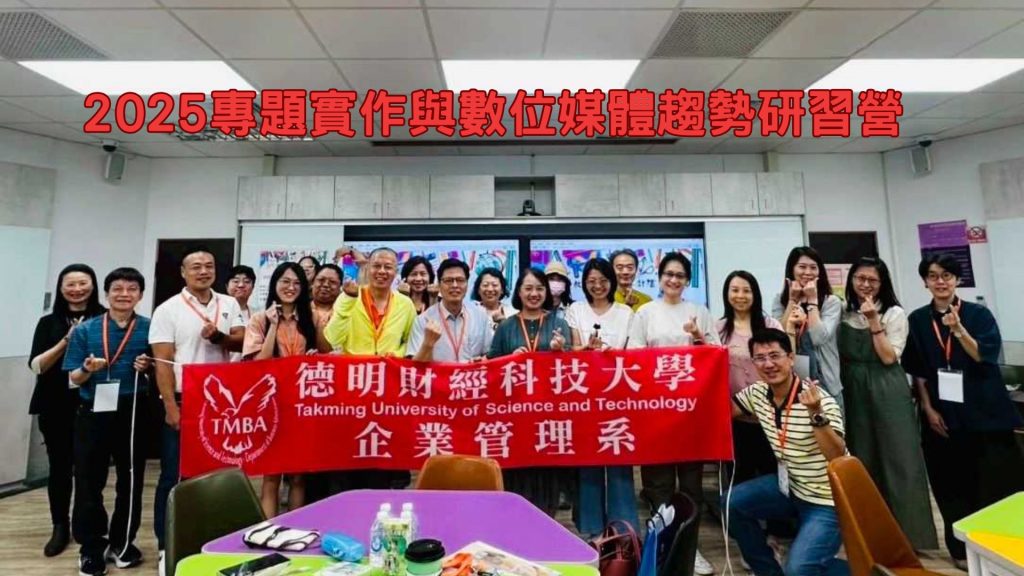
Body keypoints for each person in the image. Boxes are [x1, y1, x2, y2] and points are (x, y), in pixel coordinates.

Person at [902, 254, 1024, 567]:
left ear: (957, 280)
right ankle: (960, 552)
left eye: (947, 275)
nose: (940, 281)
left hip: (986, 415)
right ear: (925, 282)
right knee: (951, 486)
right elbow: (918, 371)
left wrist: (958, 330)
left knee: (995, 485)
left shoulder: (978, 314)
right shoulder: (918, 320)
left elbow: (984, 355)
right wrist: (927, 408)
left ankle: (1001, 552)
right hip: (943, 417)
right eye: (933, 276)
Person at [148, 247, 245, 576]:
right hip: (184, 398)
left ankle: (214, 541)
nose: (203, 271)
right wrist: (169, 406)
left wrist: (219, 336)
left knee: (218, 475)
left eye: (209, 266)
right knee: (174, 476)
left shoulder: (229, 303)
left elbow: (241, 341)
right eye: (196, 267)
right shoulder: (168, 309)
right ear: (183, 272)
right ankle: (167, 546)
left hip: (221, 403)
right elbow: (162, 362)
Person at [727, 329, 848, 576]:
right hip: (790, 487)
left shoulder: (820, 400)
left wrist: (815, 413)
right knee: (731, 504)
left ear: (791, 358)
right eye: (760, 358)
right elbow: (725, 412)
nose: (768, 364)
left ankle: (867, 570)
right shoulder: (757, 393)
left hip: (827, 500)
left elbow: (836, 456)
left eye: (775, 356)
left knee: (799, 570)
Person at [628, 251, 719, 576]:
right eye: (669, 274)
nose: (674, 280)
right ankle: (661, 548)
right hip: (656, 409)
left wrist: (697, 336)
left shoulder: (699, 311)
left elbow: (715, 353)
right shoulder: (645, 312)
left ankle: (691, 550)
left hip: (691, 408)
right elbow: (634, 356)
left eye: (680, 275)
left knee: (691, 482)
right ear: (660, 277)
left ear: (687, 280)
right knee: (659, 482)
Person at [838, 257, 937, 550]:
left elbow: (888, 357)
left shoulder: (894, 313)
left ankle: (910, 537)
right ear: (851, 280)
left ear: (883, 284)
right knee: (862, 457)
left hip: (887, 387)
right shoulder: (843, 311)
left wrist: (873, 321)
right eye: (860, 278)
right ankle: (870, 535)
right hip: (853, 388)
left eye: (873, 280)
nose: (865, 284)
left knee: (900, 458)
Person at [63, 268, 153, 576]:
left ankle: (122, 543)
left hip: (133, 409)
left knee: (131, 480)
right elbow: (74, 378)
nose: (124, 294)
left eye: (132, 289)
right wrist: (88, 368)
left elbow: (160, 369)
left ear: (140, 295)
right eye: (117, 288)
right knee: (88, 481)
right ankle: (91, 547)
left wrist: (148, 366)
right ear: (106, 293)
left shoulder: (150, 328)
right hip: (94, 408)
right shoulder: (86, 330)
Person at [28, 264, 105, 557]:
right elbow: (37, 365)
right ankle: (59, 526)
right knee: (60, 469)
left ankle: (87, 527)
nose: (77, 289)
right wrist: (67, 340)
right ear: (61, 289)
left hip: (95, 402)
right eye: (70, 284)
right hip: (55, 405)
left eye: (83, 283)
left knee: (91, 470)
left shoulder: (105, 317)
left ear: (93, 285)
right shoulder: (48, 322)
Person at [324, 247, 416, 489]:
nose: (382, 271)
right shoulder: (351, 297)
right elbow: (333, 337)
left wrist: (395, 355)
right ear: (368, 268)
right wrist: (347, 300)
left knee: (381, 460)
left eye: (388, 267)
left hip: (388, 394)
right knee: (348, 460)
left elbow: (410, 343)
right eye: (377, 266)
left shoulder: (405, 304)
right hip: (352, 391)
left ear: (395, 271)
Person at [243, 262, 326, 517]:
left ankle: (294, 529)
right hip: (271, 405)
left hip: (303, 406)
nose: (291, 288)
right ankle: (268, 532)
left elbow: (327, 353)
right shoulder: (259, 319)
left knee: (298, 476)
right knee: (271, 476)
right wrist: (273, 324)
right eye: (285, 282)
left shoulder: (311, 318)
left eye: (297, 283)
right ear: (275, 284)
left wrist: (315, 356)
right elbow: (259, 363)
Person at [487, 267, 572, 516]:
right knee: (517, 474)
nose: (534, 294)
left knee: (547, 475)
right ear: (519, 292)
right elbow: (491, 367)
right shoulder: (506, 327)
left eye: (539, 288)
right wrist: (509, 359)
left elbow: (572, 370)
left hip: (549, 413)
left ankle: (546, 521)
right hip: (514, 414)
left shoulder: (559, 324)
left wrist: (560, 352)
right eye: (528, 288)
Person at [564, 258, 638, 536]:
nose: (597, 286)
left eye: (603, 280)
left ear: (612, 282)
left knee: (619, 459)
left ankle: (623, 530)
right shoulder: (576, 309)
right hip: (583, 397)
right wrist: (584, 349)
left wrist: (611, 354)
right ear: (584, 283)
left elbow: (633, 353)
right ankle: (591, 530)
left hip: (617, 395)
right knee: (588, 462)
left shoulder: (626, 313)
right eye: (592, 281)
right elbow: (571, 350)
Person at [716, 271, 783, 485]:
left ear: (755, 294)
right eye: (735, 290)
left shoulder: (770, 325)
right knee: (739, 480)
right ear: (727, 294)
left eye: (746, 290)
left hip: (770, 416)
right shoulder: (718, 329)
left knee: (772, 477)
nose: (740, 296)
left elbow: (784, 362)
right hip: (734, 418)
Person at [772, 246, 843, 411]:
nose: (808, 272)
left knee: (830, 425)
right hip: (792, 380)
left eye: (813, 267)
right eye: (802, 267)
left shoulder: (831, 301)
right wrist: (792, 300)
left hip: (826, 381)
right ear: (792, 269)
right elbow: (779, 338)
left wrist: (812, 301)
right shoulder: (780, 300)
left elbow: (819, 338)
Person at [408, 258, 493, 362]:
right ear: (439, 285)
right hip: (438, 373)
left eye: (460, 280)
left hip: (471, 372)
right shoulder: (423, 320)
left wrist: (482, 360)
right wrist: (428, 343)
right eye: (448, 280)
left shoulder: (480, 316)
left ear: (467, 284)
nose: (455, 285)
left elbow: (490, 355)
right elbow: (414, 367)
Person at [226, 265, 256, 362]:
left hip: (249, 367)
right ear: (226, 286)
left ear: (253, 287)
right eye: (236, 281)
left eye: (247, 281)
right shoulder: (219, 311)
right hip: (223, 366)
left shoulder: (257, 314)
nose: (241, 285)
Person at [472, 267, 517, 331]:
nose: (490, 289)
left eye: (494, 285)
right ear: (478, 290)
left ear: (502, 290)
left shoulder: (513, 312)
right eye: (485, 285)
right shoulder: (470, 312)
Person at [311, 263, 343, 350]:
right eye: (321, 280)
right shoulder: (301, 309)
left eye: (332, 282)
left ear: (340, 287)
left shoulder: (345, 313)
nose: (325, 285)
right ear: (312, 283)